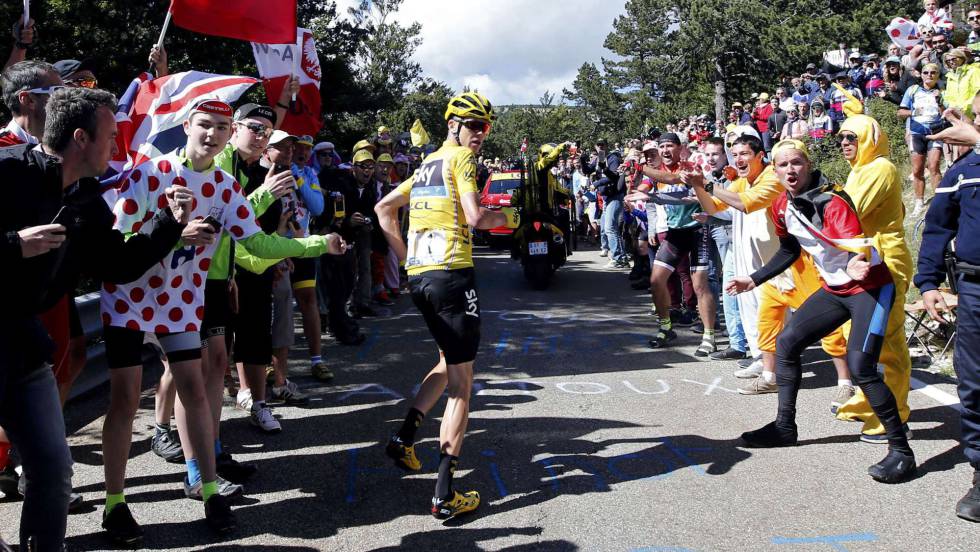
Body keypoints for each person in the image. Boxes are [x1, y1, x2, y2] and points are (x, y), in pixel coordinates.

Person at [99, 99, 343, 544]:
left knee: (195, 389)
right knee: (125, 398)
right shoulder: (149, 173)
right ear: (186, 127)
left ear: (229, 135)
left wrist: (316, 245)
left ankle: (209, 491)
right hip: (130, 297)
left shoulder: (225, 186)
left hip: (180, 300)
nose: (211, 135)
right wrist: (172, 231)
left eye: (220, 128)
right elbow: (116, 241)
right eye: (204, 125)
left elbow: (261, 244)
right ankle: (115, 503)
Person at [0, 87, 187, 551]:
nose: (116, 147)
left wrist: (170, 224)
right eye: (109, 137)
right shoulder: (7, 172)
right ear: (80, 138)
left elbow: (117, 265)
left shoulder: (85, 200)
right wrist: (12, 245)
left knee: (53, 468)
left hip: (23, 347)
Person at [731, 139, 917, 484]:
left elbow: (852, 241)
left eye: (797, 163)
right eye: (783, 164)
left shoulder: (833, 200)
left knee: (862, 365)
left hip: (871, 288)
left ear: (808, 164)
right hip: (835, 290)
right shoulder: (781, 207)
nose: (790, 170)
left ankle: (902, 452)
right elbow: (788, 250)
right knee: (787, 343)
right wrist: (753, 279)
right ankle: (785, 428)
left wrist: (856, 262)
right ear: (774, 169)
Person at [374, 91, 507, 519]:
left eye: (485, 128)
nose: (480, 136)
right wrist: (514, 218)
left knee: (447, 361)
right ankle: (444, 495)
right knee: (462, 386)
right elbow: (477, 218)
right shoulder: (461, 160)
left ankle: (405, 436)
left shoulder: (428, 162)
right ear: (453, 125)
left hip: (422, 278)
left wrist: (405, 259)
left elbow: (383, 208)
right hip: (452, 276)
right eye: (474, 126)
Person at [914, 92, 980, 522]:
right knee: (975, 383)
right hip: (974, 289)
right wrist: (928, 282)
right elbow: (937, 228)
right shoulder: (963, 171)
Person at [831, 113, 914, 445]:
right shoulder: (860, 171)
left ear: (869, 139)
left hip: (886, 264)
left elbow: (848, 213)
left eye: (852, 138)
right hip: (863, 263)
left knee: (887, 342)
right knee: (860, 339)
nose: (845, 144)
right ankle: (868, 402)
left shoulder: (881, 168)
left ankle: (895, 417)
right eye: (841, 138)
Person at [899, 63, 945, 217]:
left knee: (934, 166)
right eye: (926, 72)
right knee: (918, 170)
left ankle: (940, 201)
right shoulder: (912, 90)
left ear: (938, 74)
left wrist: (939, 101)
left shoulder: (942, 91)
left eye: (933, 72)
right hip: (916, 133)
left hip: (936, 132)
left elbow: (946, 113)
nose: (929, 75)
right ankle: (919, 202)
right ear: (921, 74)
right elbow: (900, 112)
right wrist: (914, 112)